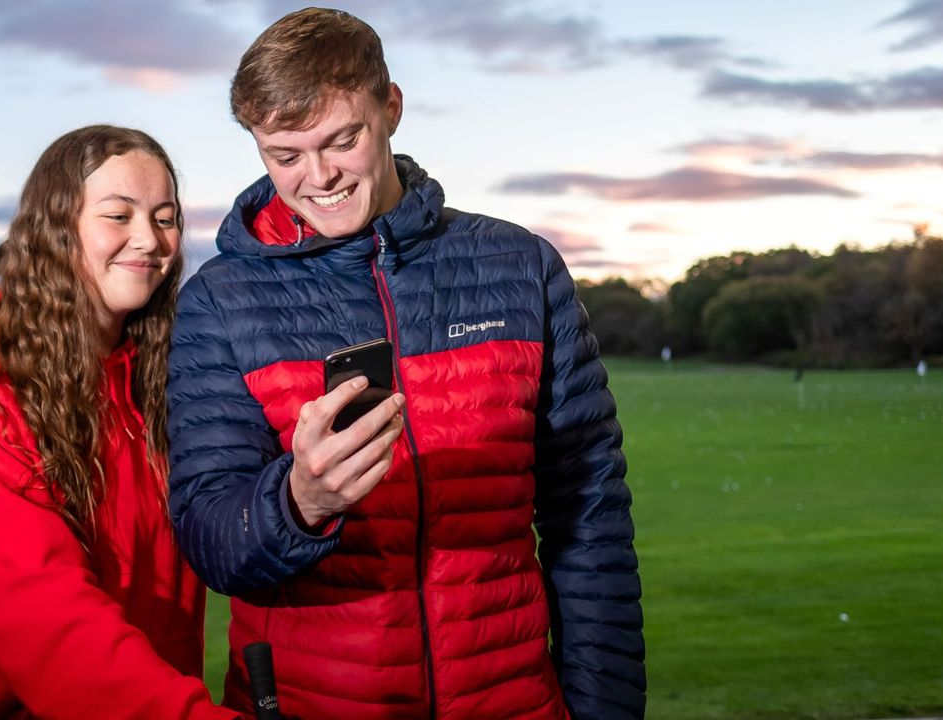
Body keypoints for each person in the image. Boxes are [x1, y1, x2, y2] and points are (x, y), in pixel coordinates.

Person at [166, 8, 644, 720]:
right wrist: (298, 502)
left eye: (342, 139)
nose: (318, 176)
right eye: (284, 154)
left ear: (390, 107)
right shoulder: (220, 302)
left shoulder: (520, 267)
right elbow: (210, 541)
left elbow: (589, 515)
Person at [0, 126, 238, 719]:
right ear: (54, 228)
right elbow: (48, 621)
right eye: (118, 215)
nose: (148, 239)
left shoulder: (167, 379)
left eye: (166, 217)